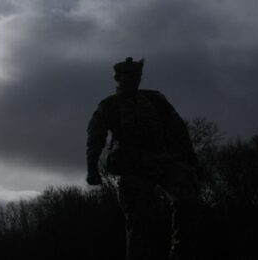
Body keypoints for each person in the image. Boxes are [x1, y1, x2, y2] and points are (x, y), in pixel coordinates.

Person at [86, 57, 201, 260]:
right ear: (118, 78)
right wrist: (92, 168)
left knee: (189, 205)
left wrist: (191, 159)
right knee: (139, 223)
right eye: (129, 76)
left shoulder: (155, 99)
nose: (134, 80)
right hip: (133, 166)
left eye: (137, 76)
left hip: (166, 161)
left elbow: (178, 128)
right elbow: (96, 138)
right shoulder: (109, 105)